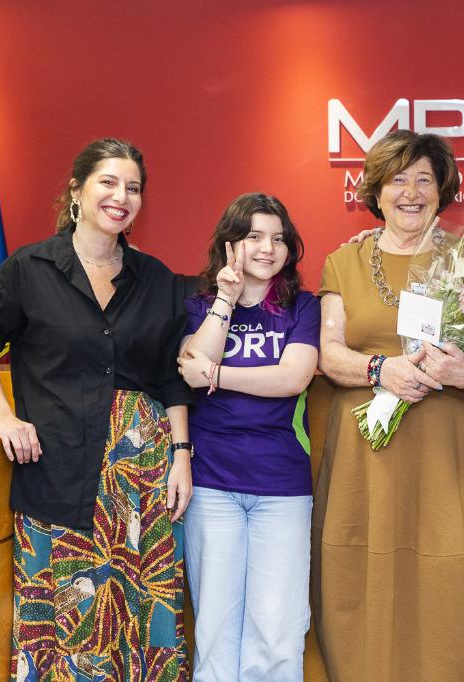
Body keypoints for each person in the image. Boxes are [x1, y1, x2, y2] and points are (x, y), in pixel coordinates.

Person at [0, 138, 193, 678]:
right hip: (57, 474)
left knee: (142, 621)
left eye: (133, 188)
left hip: (142, 482)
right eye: (108, 182)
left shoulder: (156, 279)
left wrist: (181, 454)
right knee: (66, 625)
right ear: (76, 191)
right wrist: (5, 417)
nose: (121, 197)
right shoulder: (29, 268)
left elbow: (170, 377)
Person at [312, 129, 464, 681]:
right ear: (376, 190)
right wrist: (381, 369)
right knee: (358, 565)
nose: (411, 192)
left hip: (444, 445)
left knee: (446, 566)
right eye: (398, 180)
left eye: (424, 179)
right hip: (366, 449)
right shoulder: (344, 262)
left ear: (443, 190)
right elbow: (328, 353)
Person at [177, 193, 319, 681]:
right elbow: (190, 368)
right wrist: (226, 299)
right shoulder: (198, 305)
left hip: (281, 485)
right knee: (215, 625)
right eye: (254, 236)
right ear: (229, 243)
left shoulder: (302, 306)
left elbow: (292, 378)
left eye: (278, 238)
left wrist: (215, 374)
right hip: (211, 482)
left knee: (278, 629)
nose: (267, 248)